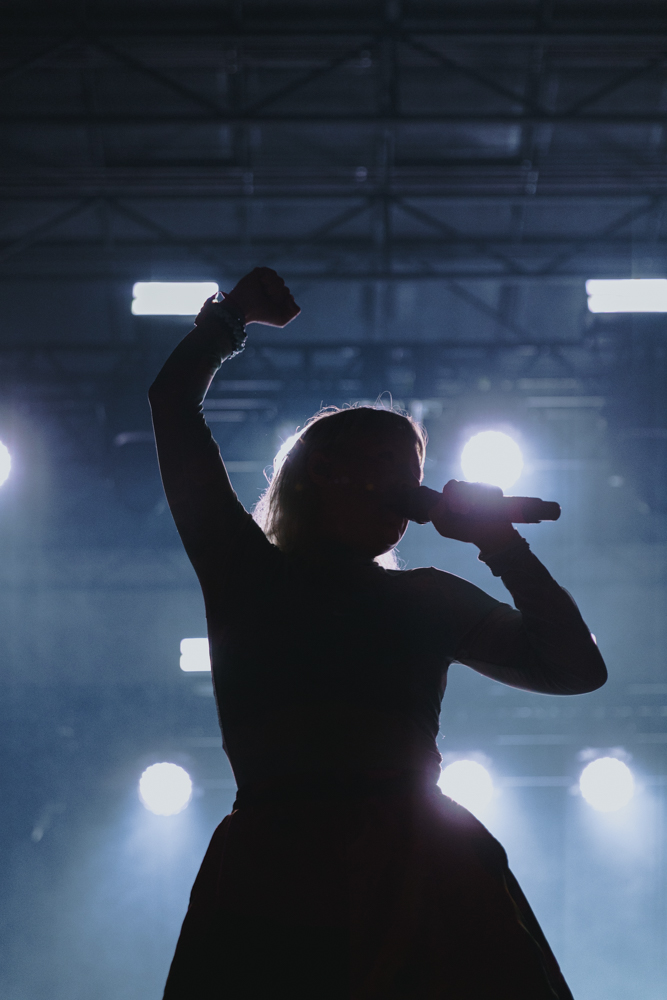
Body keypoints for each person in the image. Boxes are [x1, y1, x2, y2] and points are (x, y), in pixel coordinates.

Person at [149, 267, 607, 1000]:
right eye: (390, 467)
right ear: (323, 474)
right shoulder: (244, 571)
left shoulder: (422, 597)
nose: (407, 487)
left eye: (413, 470)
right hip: (286, 862)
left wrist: (501, 544)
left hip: (413, 864)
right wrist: (229, 319)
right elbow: (171, 405)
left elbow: (576, 668)